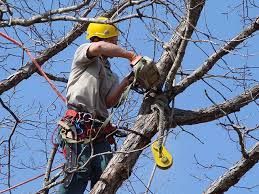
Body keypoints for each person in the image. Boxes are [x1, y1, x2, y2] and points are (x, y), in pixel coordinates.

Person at [58, 17, 137, 193]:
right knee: (78, 172)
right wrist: (131, 56)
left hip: (99, 131)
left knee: (108, 174)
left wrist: (128, 80)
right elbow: (99, 48)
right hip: (77, 125)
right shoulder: (84, 53)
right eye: (114, 40)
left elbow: (109, 102)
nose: (117, 44)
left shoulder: (110, 74)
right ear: (104, 37)